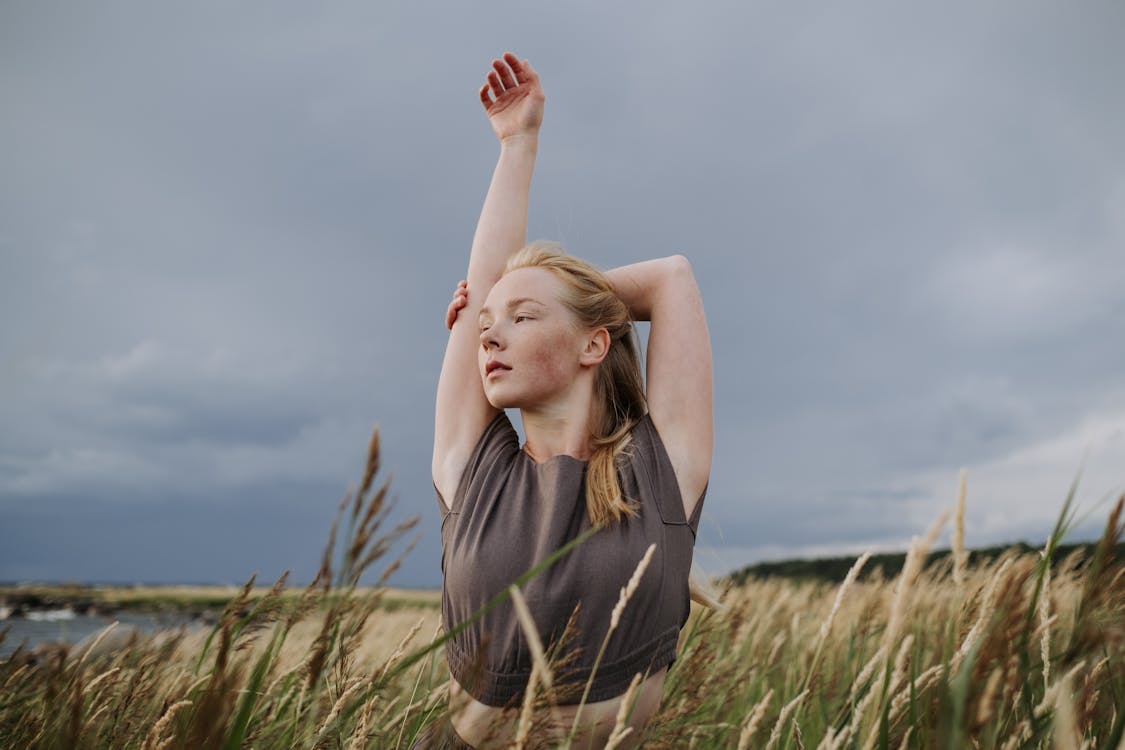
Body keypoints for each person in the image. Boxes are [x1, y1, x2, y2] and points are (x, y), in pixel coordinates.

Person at [423, 52, 713, 749]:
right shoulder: (474, 470)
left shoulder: (659, 470)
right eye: (485, 326)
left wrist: (565, 298)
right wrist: (517, 144)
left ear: (594, 345)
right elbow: (491, 288)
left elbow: (671, 279)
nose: (488, 336)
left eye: (519, 321)